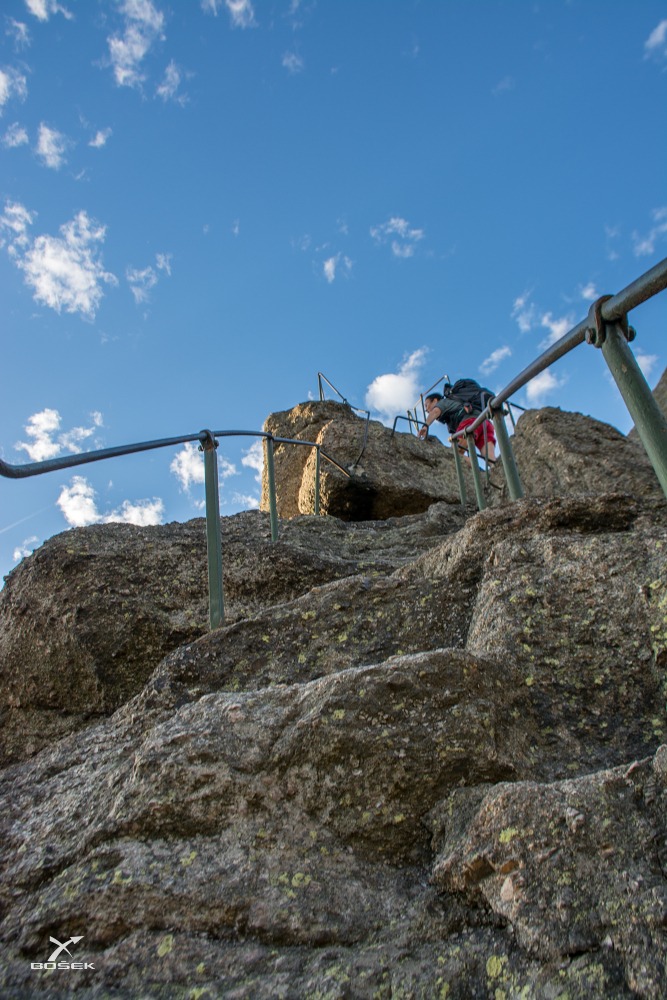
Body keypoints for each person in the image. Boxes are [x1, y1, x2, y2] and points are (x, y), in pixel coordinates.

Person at [417, 383, 496, 463]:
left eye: (426, 405)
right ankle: (494, 468)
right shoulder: (450, 413)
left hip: (470, 421)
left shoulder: (443, 402)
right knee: (490, 458)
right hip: (484, 421)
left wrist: (425, 426)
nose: (426, 410)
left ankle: (476, 469)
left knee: (454, 453)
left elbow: (435, 412)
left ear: (435, 400)